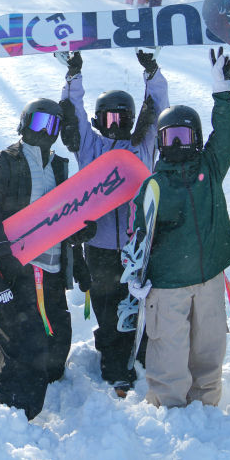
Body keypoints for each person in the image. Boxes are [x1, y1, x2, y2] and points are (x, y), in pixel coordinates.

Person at [127, 48, 230, 409]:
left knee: (209, 351)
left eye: (184, 137)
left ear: (195, 138)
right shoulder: (153, 185)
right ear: (161, 141)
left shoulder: (209, 167)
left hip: (208, 278)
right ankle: (167, 409)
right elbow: (139, 238)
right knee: (169, 354)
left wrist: (222, 91)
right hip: (168, 287)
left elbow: (225, 134)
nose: (178, 145)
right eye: (170, 137)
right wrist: (134, 272)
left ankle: (207, 406)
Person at [0, 99, 96, 420]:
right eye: (40, 122)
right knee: (22, 337)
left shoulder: (59, 167)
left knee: (56, 334)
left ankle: (50, 379)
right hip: (20, 267)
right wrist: (2, 254)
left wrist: (77, 248)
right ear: (25, 122)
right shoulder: (6, 159)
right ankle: (13, 401)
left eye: (53, 125)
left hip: (52, 268)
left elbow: (67, 216)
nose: (45, 131)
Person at [58, 49, 169, 396]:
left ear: (133, 120)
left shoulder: (144, 145)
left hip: (139, 246)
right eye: (108, 120)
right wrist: (74, 76)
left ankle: (143, 355)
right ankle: (113, 360)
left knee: (142, 305)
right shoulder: (90, 146)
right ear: (98, 122)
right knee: (108, 305)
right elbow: (71, 114)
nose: (116, 127)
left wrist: (152, 72)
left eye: (123, 120)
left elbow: (160, 108)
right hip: (102, 245)